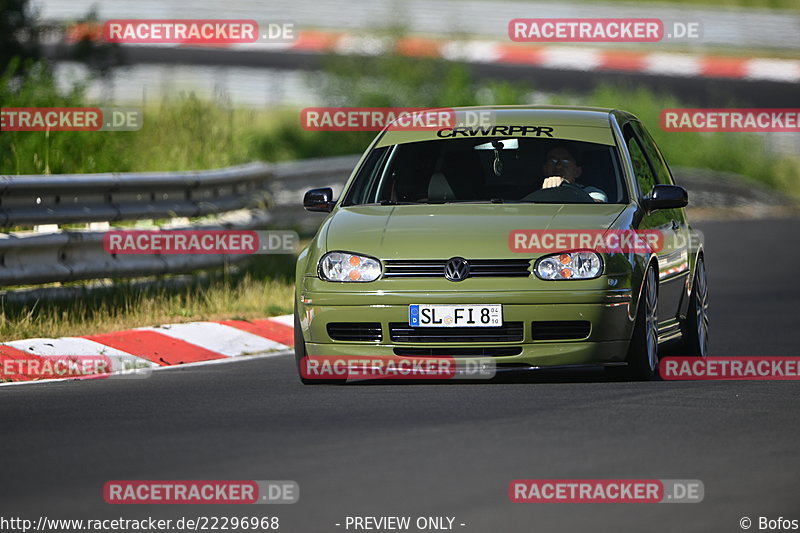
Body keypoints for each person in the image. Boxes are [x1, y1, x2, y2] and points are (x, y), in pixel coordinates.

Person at [540, 146, 608, 202]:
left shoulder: (591, 192)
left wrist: (565, 189)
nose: (558, 166)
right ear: (545, 169)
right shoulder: (532, 191)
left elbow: (598, 206)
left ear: (577, 172)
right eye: (552, 161)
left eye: (565, 161)